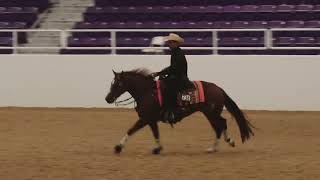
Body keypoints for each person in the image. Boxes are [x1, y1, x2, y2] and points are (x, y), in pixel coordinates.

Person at [150, 33, 191, 123]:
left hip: (180, 79)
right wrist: (161, 73)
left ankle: (173, 110)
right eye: (169, 42)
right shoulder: (176, 52)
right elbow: (172, 68)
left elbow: (174, 68)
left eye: (170, 42)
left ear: (176, 43)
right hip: (177, 76)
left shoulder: (178, 53)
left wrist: (159, 73)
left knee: (168, 89)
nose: (168, 44)